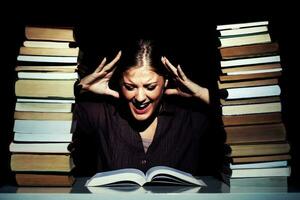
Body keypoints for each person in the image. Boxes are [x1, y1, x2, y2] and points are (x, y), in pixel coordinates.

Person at [71, 40, 227, 178]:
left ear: (165, 83)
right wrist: (81, 87)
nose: (140, 97)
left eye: (150, 87)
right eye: (130, 86)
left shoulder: (190, 118)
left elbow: (237, 117)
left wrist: (202, 94)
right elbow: (55, 116)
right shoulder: (101, 115)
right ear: (119, 83)